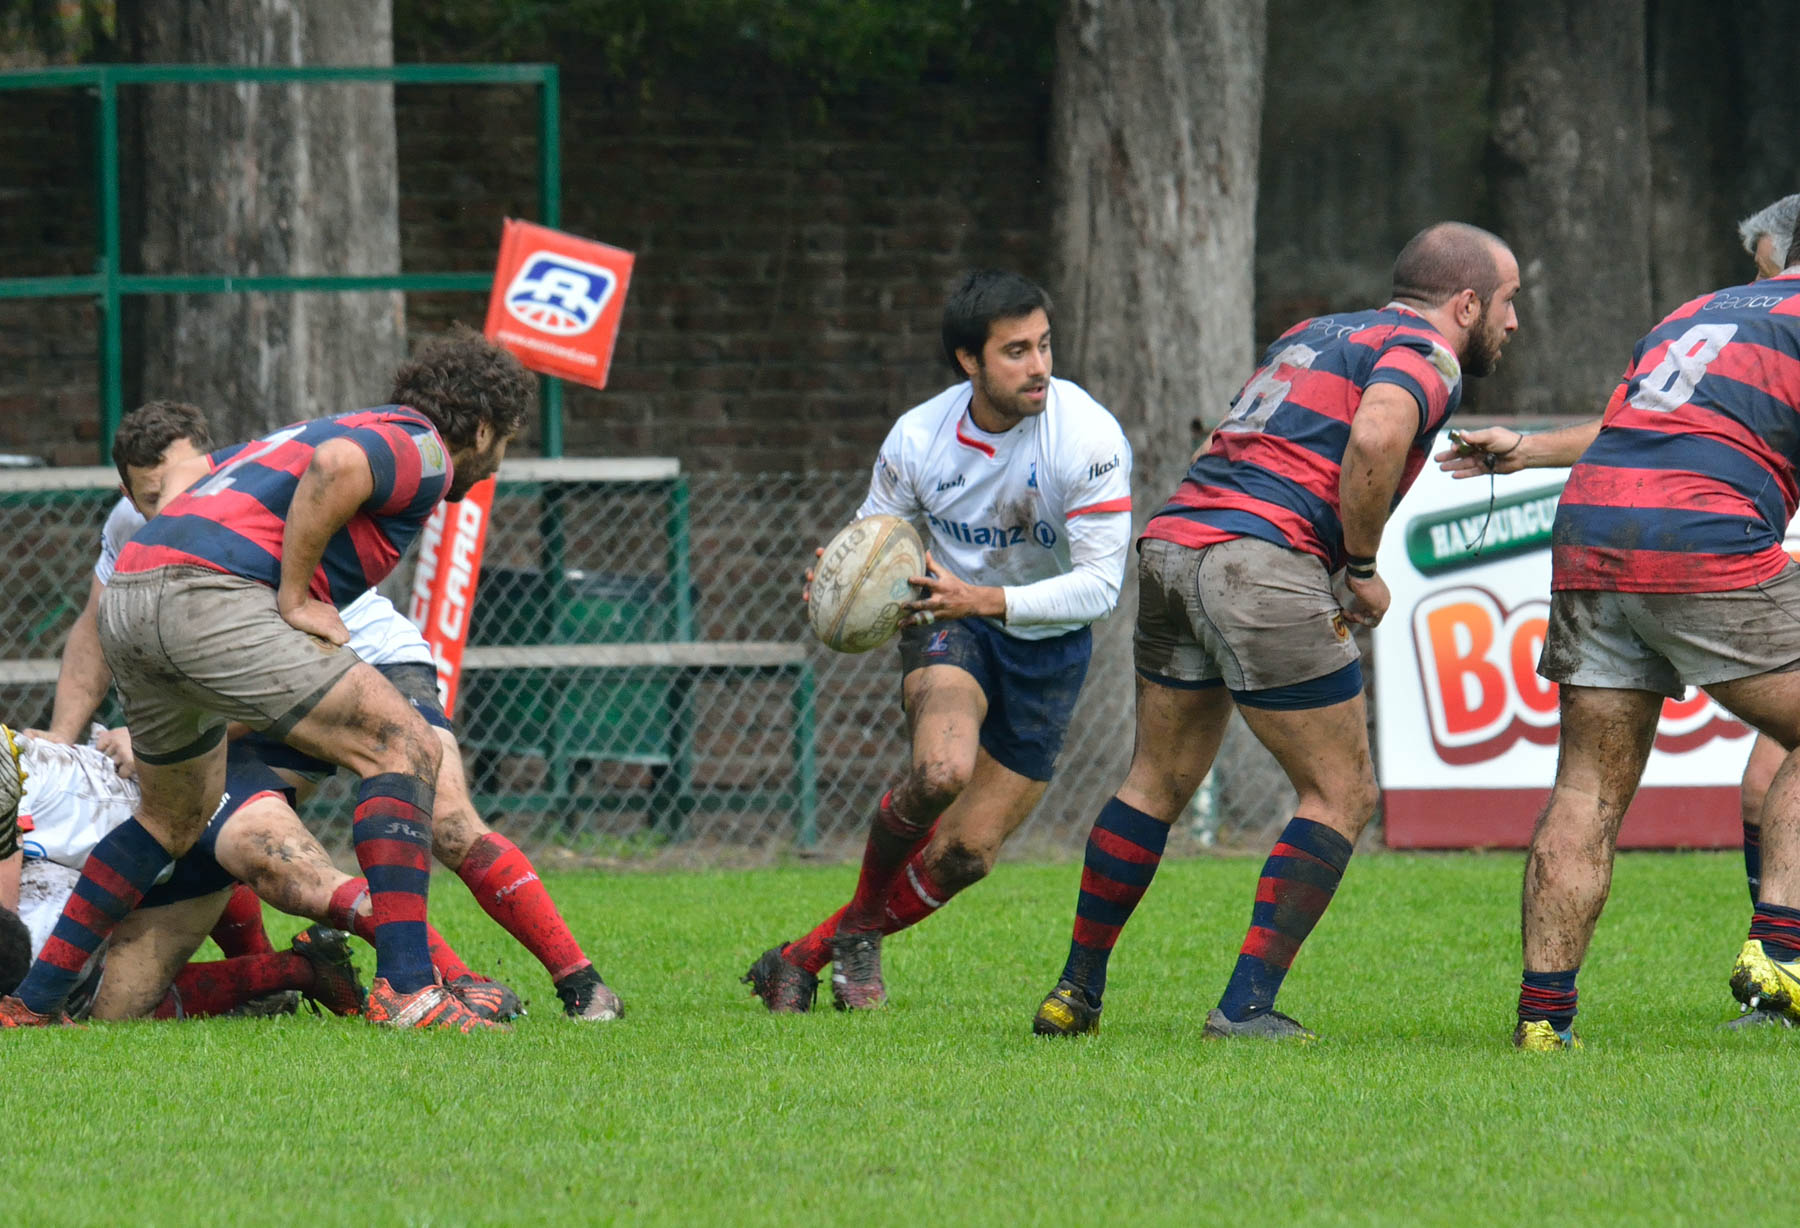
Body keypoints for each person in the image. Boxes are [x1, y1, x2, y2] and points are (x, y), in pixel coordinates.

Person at [1030, 221, 1521, 1041]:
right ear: (1466, 302)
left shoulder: (1315, 331)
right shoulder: (1425, 354)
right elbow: (1375, 435)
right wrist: (1359, 568)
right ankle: (1245, 1005)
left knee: (1153, 782)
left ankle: (1073, 992)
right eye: (1508, 304)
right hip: (1260, 564)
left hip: (1174, 544)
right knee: (1344, 792)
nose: (1513, 324)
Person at [1, 329, 531, 1031]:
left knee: (169, 818)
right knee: (404, 744)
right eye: (505, 443)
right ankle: (409, 992)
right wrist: (293, 595)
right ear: (485, 427)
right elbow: (339, 468)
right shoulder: (425, 446)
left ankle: (31, 1005)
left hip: (133, 591)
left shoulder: (333, 424)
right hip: (205, 595)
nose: (496, 463)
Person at [1443, 195, 1800, 1043]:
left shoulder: (1694, 313)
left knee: (1586, 788)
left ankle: (1542, 1021)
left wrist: (1526, 449)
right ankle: (1782, 949)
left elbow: (1629, 424)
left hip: (1592, 532)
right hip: (1701, 537)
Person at [743, 269, 1133, 1012]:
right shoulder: (920, 436)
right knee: (940, 774)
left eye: (1045, 345)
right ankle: (850, 943)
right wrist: (839, 572)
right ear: (969, 362)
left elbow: (1100, 587)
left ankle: (811, 952)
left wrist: (982, 595)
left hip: (1048, 644)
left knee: (965, 855)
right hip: (949, 626)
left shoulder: (1086, 437)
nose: (1040, 366)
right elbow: (876, 537)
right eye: (1016, 351)